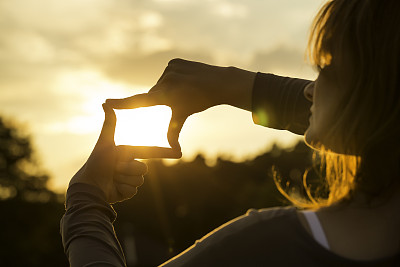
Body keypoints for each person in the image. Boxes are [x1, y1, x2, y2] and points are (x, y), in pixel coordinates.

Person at [60, 0, 400, 266]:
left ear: (374, 88)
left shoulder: (263, 247)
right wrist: (236, 86)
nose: (310, 90)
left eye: (327, 68)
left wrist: (86, 199)